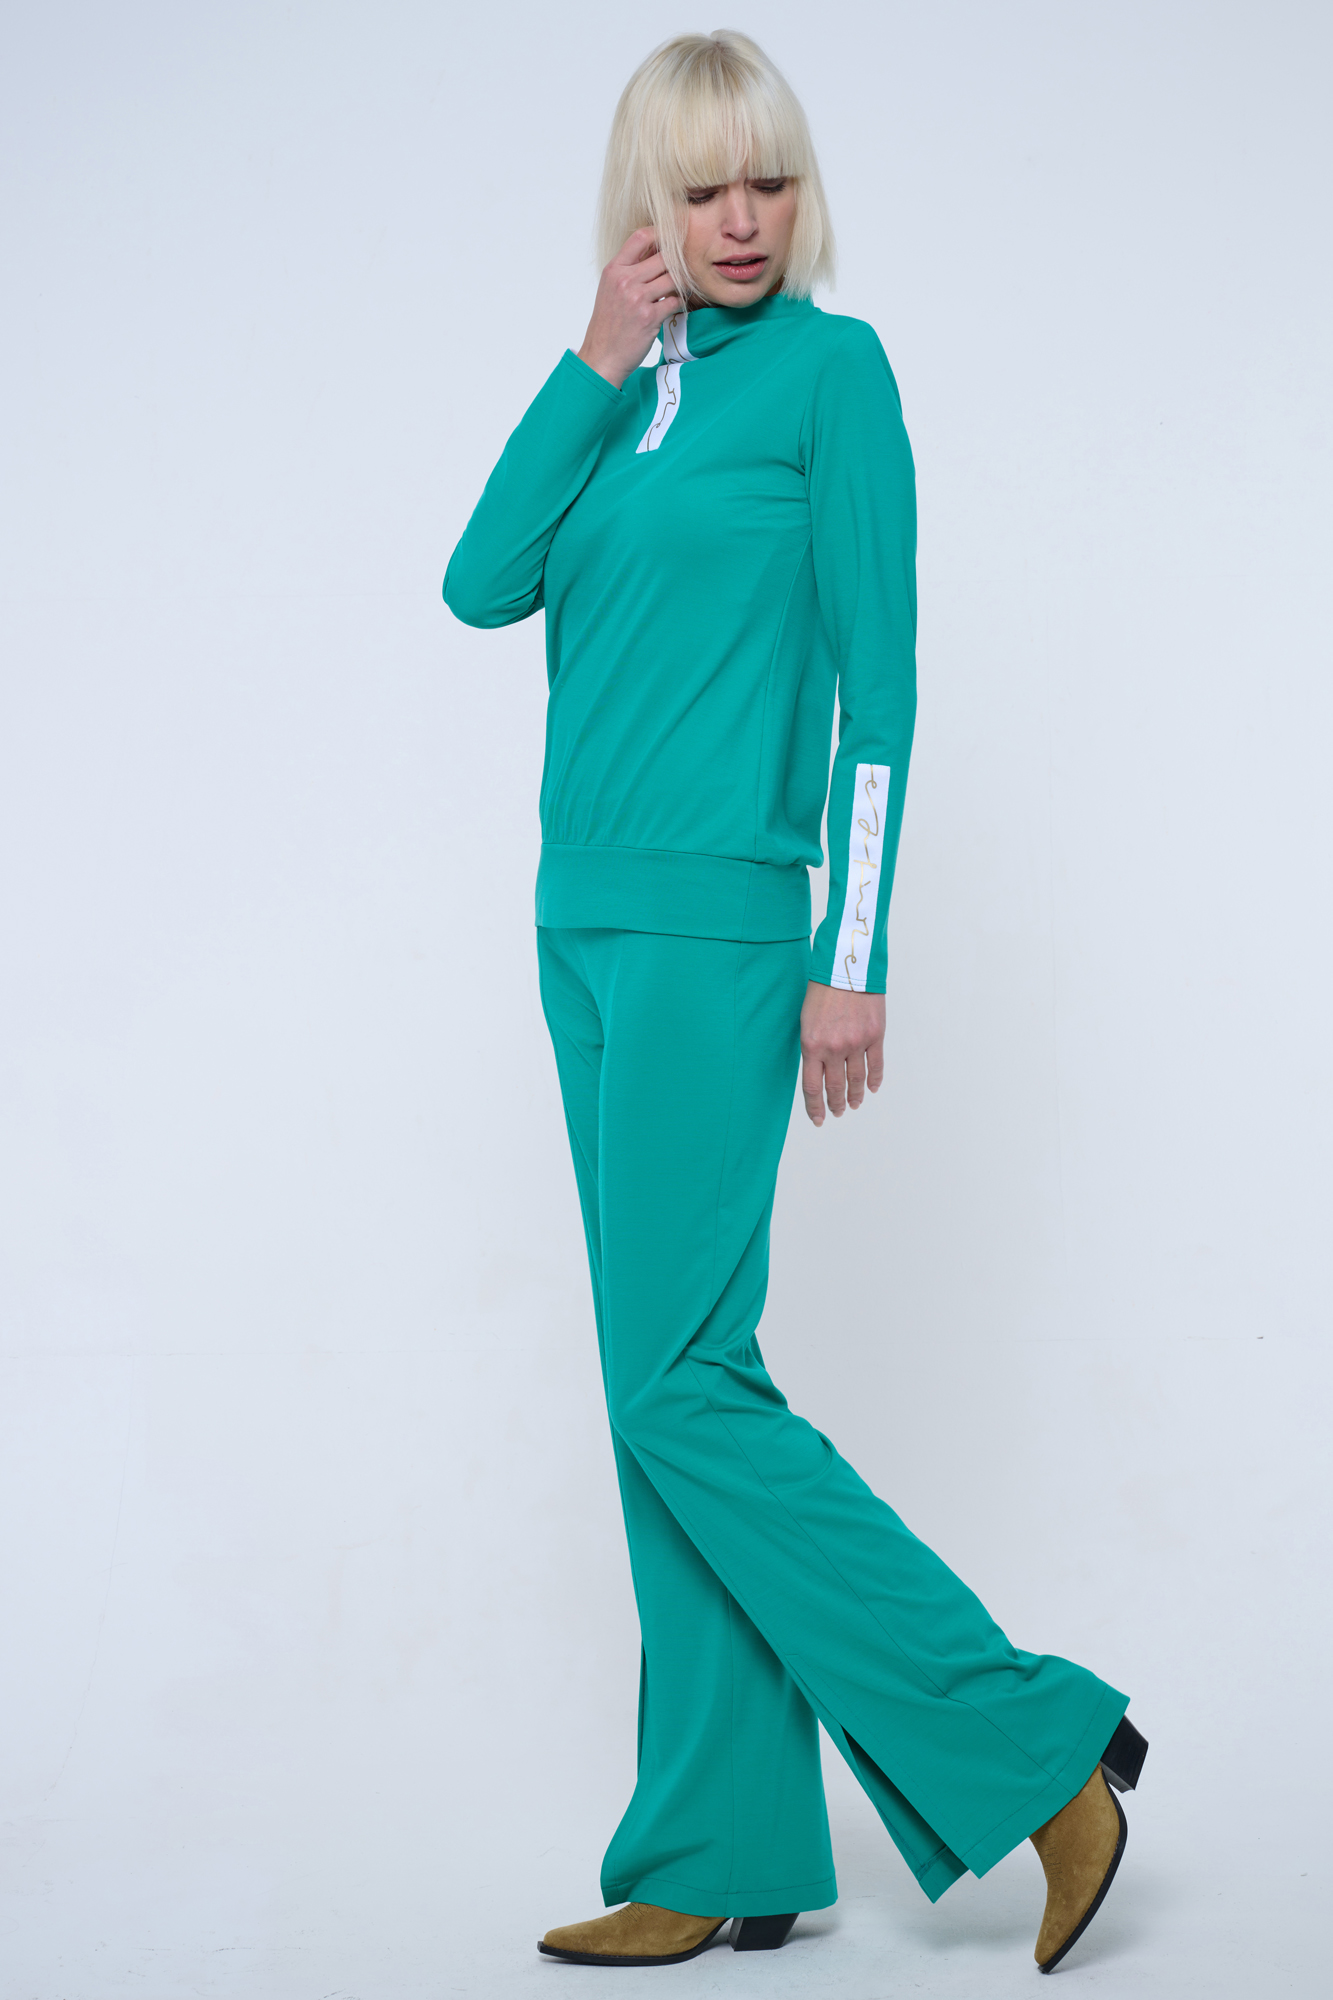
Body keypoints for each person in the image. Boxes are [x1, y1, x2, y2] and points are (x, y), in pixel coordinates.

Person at [443, 29, 1147, 1976]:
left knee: (683, 1383)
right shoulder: (622, 394)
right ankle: (724, 1838)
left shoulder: (835, 376)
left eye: (765, 180)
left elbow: (879, 687)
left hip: (720, 939)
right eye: (700, 189)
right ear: (645, 208)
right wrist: (594, 359)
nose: (739, 219)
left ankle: (1035, 1753)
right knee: (660, 1404)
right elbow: (478, 582)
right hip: (579, 929)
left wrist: (854, 952)